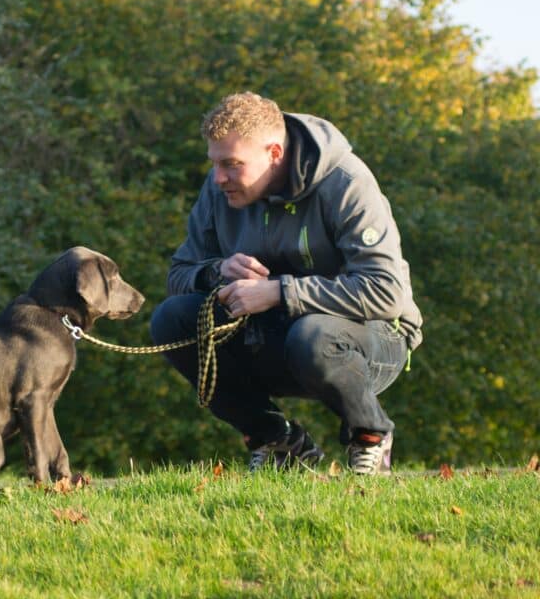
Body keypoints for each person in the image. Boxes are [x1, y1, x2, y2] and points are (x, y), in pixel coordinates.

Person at [150, 92, 422, 474]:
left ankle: (371, 436)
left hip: (369, 340)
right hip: (273, 339)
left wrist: (279, 292)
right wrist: (218, 270)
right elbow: (178, 275)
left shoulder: (346, 183)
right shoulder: (218, 190)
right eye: (214, 164)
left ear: (274, 153)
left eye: (231, 165)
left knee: (312, 336)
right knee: (171, 319)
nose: (218, 178)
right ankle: (278, 440)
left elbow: (386, 292)